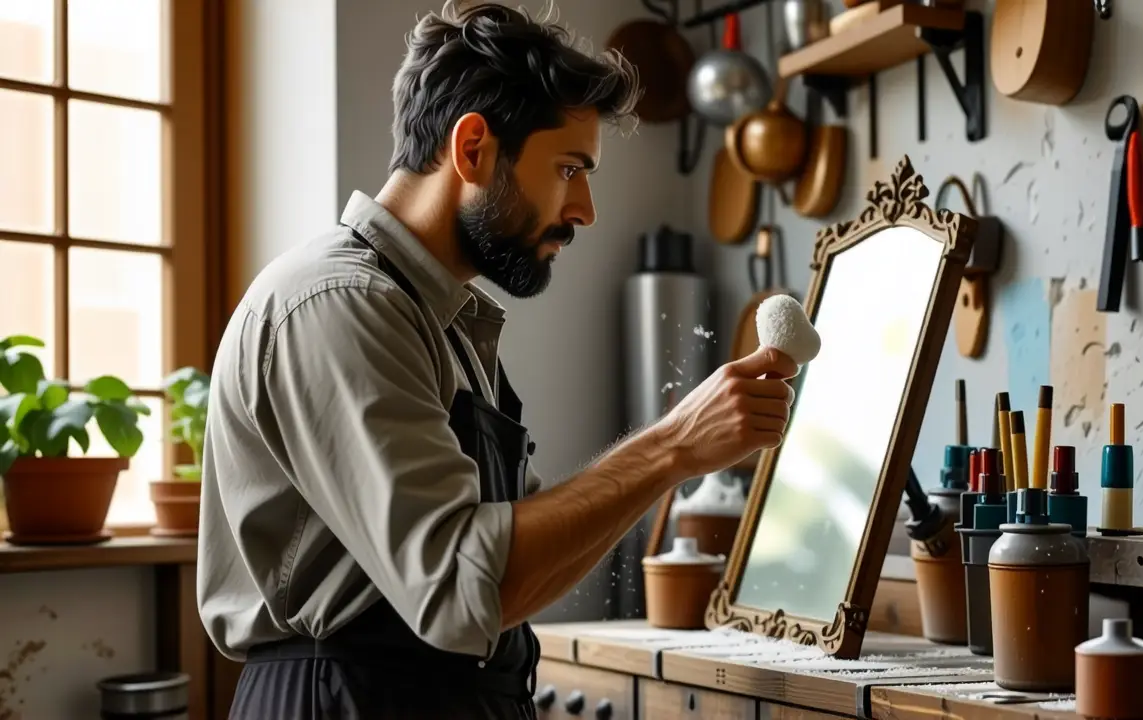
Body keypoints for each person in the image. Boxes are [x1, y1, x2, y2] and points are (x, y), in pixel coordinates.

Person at [196, 3, 798, 718]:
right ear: (474, 146)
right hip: (345, 702)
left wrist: (678, 455)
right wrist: (672, 447)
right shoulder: (341, 304)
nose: (585, 210)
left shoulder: (440, 317)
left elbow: (517, 565)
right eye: (570, 168)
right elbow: (459, 585)